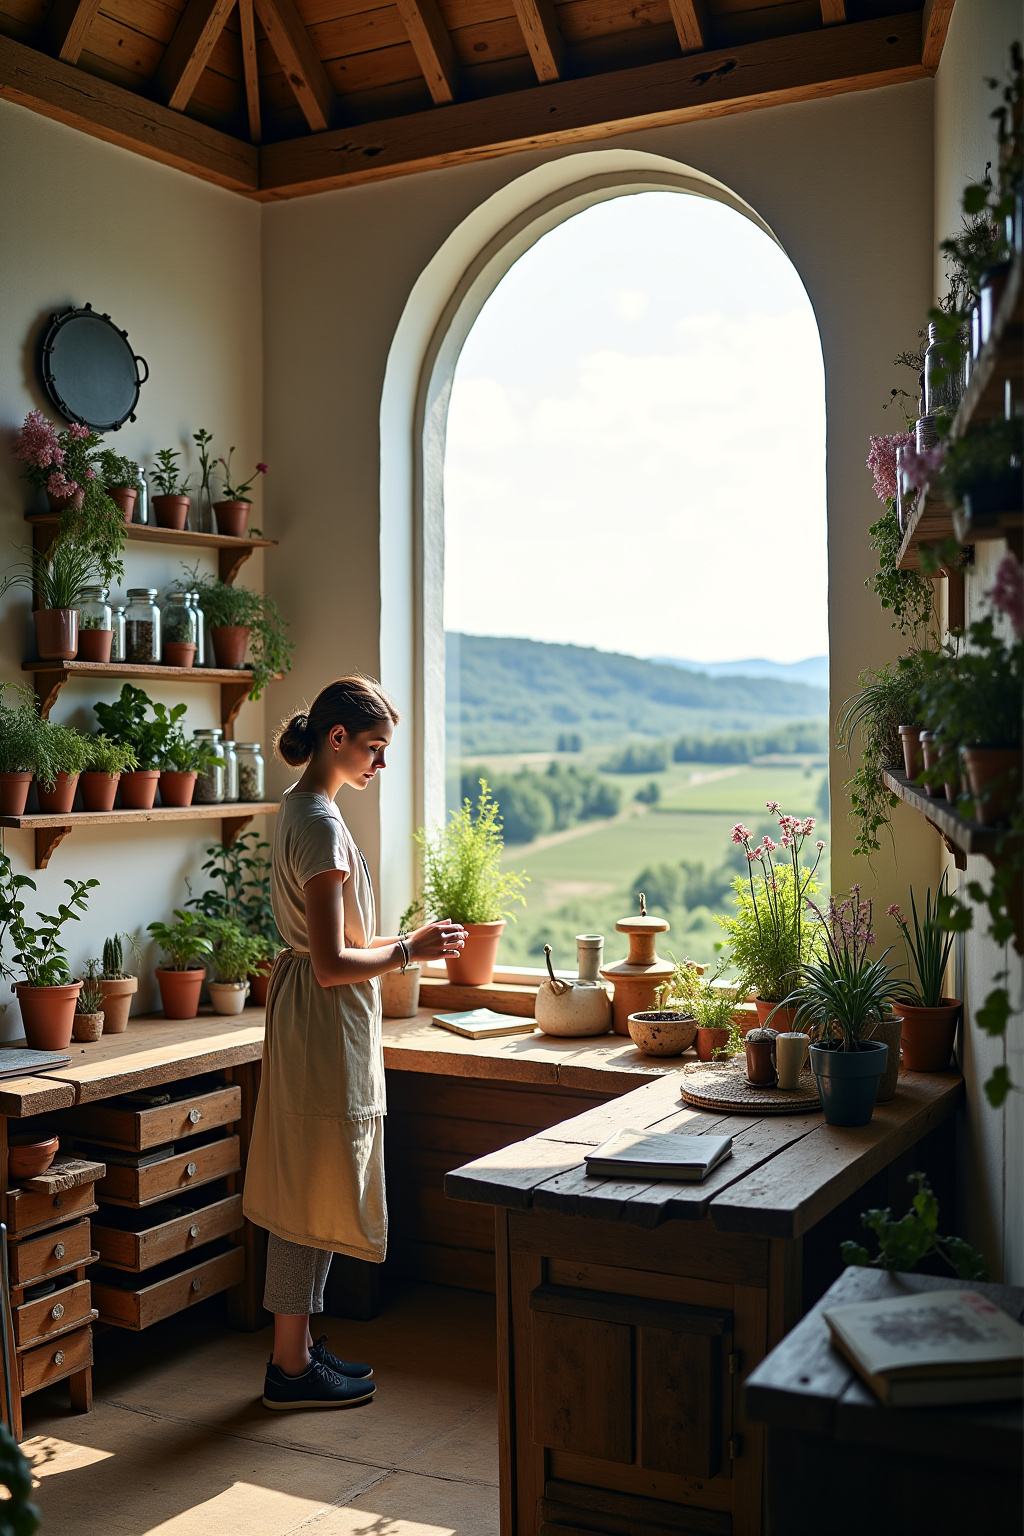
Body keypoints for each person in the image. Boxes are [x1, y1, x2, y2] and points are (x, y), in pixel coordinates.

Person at [243, 674, 466, 1410]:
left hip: (318, 1015)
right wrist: (416, 949)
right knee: (312, 1183)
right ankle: (290, 1366)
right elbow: (337, 961)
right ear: (337, 740)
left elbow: (336, 947)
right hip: (321, 1016)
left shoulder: (308, 809)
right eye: (373, 748)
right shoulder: (319, 824)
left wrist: (405, 945)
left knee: (313, 1178)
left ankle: (298, 1348)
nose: (378, 764)